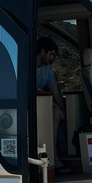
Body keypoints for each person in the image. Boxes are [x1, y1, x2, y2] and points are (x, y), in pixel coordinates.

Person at [36, 37, 69, 173]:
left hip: (42, 103)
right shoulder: (26, 64)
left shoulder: (48, 69)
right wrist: (55, 106)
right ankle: (53, 157)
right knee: (54, 112)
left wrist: (64, 110)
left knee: (59, 113)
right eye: (51, 55)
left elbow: (54, 91)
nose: (52, 58)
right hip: (29, 105)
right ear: (42, 52)